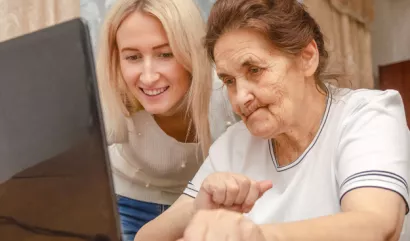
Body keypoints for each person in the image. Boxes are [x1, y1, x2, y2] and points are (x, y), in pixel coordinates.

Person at [134, 0, 410, 241]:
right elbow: (145, 237)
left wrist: (258, 236)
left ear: (306, 57)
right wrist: (197, 209)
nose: (240, 98)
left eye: (254, 69)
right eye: (229, 81)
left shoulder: (368, 114)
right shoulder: (234, 144)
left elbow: (377, 226)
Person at [95, 0, 237, 240]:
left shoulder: (226, 94)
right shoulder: (113, 96)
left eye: (165, 54)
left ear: (190, 51)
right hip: (127, 204)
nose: (148, 76)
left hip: (202, 207)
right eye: (133, 57)